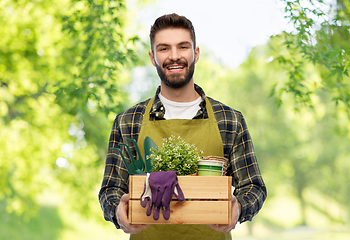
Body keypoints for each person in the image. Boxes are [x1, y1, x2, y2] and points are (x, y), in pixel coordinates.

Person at [98, 13, 267, 240]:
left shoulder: (229, 120)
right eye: (164, 48)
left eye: (183, 47)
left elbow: (253, 187)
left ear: (195, 54)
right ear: (152, 57)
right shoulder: (129, 121)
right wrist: (118, 210)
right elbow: (110, 190)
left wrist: (238, 209)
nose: (174, 56)